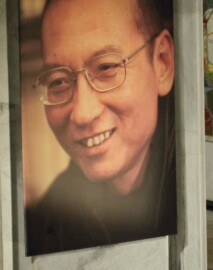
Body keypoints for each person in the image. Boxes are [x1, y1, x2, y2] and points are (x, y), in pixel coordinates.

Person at [25, 0, 176, 255]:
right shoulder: (43, 226)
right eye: (58, 81)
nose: (83, 114)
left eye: (106, 68)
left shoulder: (199, 192)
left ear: (162, 62)